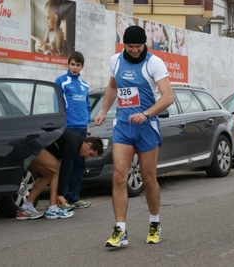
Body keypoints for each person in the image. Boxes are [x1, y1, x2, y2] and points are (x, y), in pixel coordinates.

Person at [95, 25, 174, 247]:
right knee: (119, 177)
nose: (134, 50)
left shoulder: (154, 63)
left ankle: (155, 223)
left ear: (144, 45)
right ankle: (120, 231)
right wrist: (103, 112)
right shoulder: (116, 61)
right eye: (130, 46)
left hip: (147, 127)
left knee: (148, 179)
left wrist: (146, 113)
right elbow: (112, 87)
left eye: (138, 46)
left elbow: (168, 97)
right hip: (123, 125)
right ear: (124, 45)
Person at [16, 129, 104, 220]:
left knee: (48, 175)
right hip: (31, 146)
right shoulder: (74, 142)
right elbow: (65, 169)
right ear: (88, 145)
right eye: (90, 154)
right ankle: (53, 209)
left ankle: (26, 207)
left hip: (28, 146)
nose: (88, 158)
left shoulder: (75, 141)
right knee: (56, 168)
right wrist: (60, 194)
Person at [55, 51, 92, 210]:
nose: (75, 67)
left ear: (82, 66)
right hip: (68, 128)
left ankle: (74, 198)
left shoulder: (84, 85)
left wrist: (88, 127)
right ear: (68, 64)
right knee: (67, 165)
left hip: (82, 129)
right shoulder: (61, 82)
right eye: (72, 64)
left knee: (79, 164)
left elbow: (87, 107)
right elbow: (58, 104)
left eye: (78, 65)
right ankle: (62, 197)